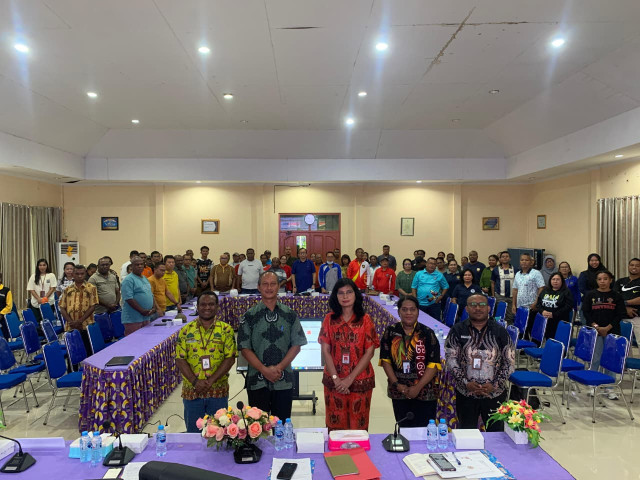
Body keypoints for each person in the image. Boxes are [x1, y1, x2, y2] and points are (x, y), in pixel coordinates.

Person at [238, 271, 307, 420]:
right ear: (258, 287)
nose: (269, 288)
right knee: (257, 428)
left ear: (278, 286)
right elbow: (244, 348)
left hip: (283, 380)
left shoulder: (290, 315)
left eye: (273, 284)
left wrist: (279, 368)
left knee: (281, 425)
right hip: (257, 381)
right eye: (265, 284)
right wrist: (264, 370)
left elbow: (297, 345)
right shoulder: (249, 316)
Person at [445, 293, 515, 431]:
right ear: (467, 309)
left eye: (482, 304)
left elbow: (510, 362)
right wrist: (466, 383)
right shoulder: (457, 330)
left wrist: (495, 384)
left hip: (494, 394)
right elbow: (451, 359)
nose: (478, 308)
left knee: (496, 434)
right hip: (466, 393)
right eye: (473, 305)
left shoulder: (500, 331)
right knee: (467, 433)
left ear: (489, 308)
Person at [318, 278, 379, 431]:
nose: (345, 296)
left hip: (360, 380)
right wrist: (336, 379)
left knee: (358, 428)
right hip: (334, 380)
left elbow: (369, 351)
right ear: (336, 296)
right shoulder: (329, 319)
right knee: (335, 427)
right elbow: (325, 350)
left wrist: (350, 379)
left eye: (349, 292)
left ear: (355, 295)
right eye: (341, 293)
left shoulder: (365, 319)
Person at [175, 291, 236, 433]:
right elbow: (180, 359)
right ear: (197, 307)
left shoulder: (226, 330)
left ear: (217, 306)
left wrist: (210, 381)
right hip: (192, 392)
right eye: (203, 304)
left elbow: (230, 358)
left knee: (219, 434)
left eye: (211, 304)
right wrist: (195, 382)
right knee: (194, 434)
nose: (207, 307)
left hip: (218, 392)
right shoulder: (186, 331)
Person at [379, 295, 440, 426]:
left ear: (418, 311)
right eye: (404, 309)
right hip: (399, 390)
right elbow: (385, 361)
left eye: (412, 309)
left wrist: (417, 387)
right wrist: (397, 384)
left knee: (424, 430)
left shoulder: (427, 333)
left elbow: (433, 365)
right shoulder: (390, 332)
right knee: (404, 428)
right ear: (398, 312)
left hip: (425, 391)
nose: (408, 313)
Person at [582, 270, 626, 399]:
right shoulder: (590, 295)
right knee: (595, 358)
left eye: (605, 279)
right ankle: (593, 384)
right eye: (600, 279)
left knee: (611, 359)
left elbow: (620, 314)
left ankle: (609, 387)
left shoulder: (617, 296)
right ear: (596, 281)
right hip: (595, 331)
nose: (602, 281)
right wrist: (596, 326)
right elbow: (586, 313)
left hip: (612, 331)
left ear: (610, 280)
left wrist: (607, 328)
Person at [58, 265, 99, 354]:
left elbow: (93, 306)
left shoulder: (91, 288)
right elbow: (62, 307)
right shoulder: (67, 289)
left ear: (85, 274)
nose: (80, 276)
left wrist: (80, 321)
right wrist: (71, 322)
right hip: (70, 326)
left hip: (86, 325)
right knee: (73, 353)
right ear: (73, 274)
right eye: (77, 274)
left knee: (88, 352)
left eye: (82, 274)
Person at [121, 257, 156, 336]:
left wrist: (153, 308)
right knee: (134, 341)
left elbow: (150, 294)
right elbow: (129, 298)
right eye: (137, 265)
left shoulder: (145, 278)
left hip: (146, 317)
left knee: (146, 340)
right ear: (132, 266)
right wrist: (142, 311)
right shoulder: (128, 280)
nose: (140, 266)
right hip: (133, 319)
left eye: (141, 264)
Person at [536, 273, 574, 339]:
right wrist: (542, 311)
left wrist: (554, 314)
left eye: (558, 279)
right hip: (545, 320)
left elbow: (568, 307)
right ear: (550, 281)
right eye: (553, 279)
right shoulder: (545, 291)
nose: (555, 281)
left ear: (562, 281)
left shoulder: (566, 292)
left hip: (559, 321)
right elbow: (538, 304)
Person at [613, 258, 640, 352]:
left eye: (637, 265)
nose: (634, 267)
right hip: (620, 317)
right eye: (632, 265)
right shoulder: (620, 281)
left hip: (637, 317)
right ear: (628, 267)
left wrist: (625, 303)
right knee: (623, 345)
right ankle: (626, 361)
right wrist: (625, 308)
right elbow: (613, 298)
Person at [491, 251, 517, 322]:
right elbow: (492, 283)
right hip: (500, 296)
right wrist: (493, 295)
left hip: (512, 297)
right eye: (503, 257)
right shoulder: (495, 269)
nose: (505, 258)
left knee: (510, 316)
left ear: (510, 258)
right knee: (499, 315)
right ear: (500, 259)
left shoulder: (515, 269)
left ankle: (508, 328)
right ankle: (498, 327)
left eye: (507, 256)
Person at [0, 273, 13, 339]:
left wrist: (1, 314)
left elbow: (9, 306)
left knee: (4, 338)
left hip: (3, 317)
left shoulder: (6, 290)